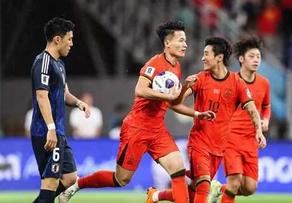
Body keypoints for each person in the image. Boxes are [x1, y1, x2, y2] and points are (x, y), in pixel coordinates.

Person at [59, 20, 214, 203]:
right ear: (167, 43)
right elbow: (140, 90)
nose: (185, 44)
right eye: (180, 40)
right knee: (121, 179)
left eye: (185, 41)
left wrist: (191, 101)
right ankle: (77, 185)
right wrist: (165, 96)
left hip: (157, 130)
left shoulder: (176, 67)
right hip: (136, 128)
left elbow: (173, 102)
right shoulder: (155, 63)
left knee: (178, 169)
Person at [146, 37, 266, 203]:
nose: (203, 58)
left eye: (206, 54)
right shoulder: (199, 79)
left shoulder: (236, 83)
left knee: (195, 191)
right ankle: (207, 187)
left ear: (219, 57)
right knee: (203, 187)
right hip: (199, 143)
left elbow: (252, 109)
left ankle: (155, 195)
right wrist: (187, 89)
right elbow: (174, 104)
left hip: (219, 148)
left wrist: (258, 131)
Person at [30, 17, 91, 203]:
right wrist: (50, 128)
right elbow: (42, 96)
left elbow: (64, 94)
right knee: (50, 183)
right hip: (46, 132)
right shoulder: (43, 62)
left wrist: (79, 103)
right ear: (57, 39)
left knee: (71, 179)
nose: (72, 43)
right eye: (69, 39)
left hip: (59, 132)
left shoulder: (59, 65)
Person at [209, 36, 270, 203]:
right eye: (252, 56)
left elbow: (266, 106)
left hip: (251, 140)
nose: (256, 60)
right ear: (241, 59)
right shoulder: (230, 81)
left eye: (258, 56)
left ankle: (218, 189)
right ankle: (225, 190)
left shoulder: (264, 83)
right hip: (231, 139)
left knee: (250, 188)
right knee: (234, 181)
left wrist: (265, 120)